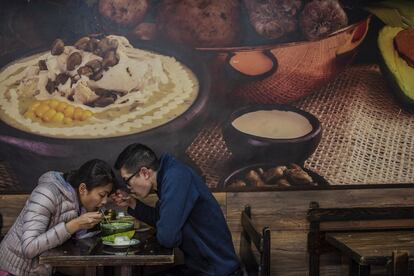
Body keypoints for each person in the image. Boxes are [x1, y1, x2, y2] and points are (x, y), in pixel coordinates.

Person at [111, 143, 241, 276]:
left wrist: (170, 228)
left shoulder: (176, 177)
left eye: (127, 181)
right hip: (202, 267)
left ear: (144, 172)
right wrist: (132, 203)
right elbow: (163, 220)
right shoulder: (169, 174)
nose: (128, 187)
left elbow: (168, 238)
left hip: (216, 270)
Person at [0, 159, 116, 276]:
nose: (105, 201)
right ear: (82, 189)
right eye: (102, 195)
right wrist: (73, 225)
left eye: (107, 195)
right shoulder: (47, 194)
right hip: (17, 270)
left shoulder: (80, 204)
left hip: (48, 268)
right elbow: (29, 248)